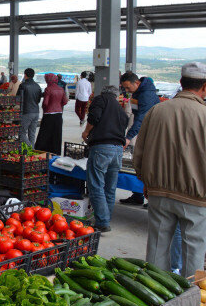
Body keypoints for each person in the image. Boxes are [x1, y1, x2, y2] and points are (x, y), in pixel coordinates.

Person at [135, 62, 206, 277]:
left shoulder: (156, 111)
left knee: (157, 246)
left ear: (180, 83)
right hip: (196, 197)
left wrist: (147, 182)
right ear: (204, 87)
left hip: (158, 193)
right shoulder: (204, 114)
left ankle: (156, 294)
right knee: (194, 250)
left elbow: (140, 153)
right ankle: (190, 297)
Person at [81, 85, 129, 232]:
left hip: (102, 147)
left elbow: (94, 117)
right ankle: (105, 218)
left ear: (103, 93)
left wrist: (86, 132)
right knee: (110, 187)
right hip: (117, 151)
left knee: (96, 185)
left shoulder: (101, 100)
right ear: (117, 95)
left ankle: (102, 221)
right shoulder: (121, 110)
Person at [119, 71, 160, 206]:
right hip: (143, 131)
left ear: (136, 83)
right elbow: (135, 115)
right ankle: (138, 195)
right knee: (140, 164)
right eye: (124, 88)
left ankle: (153, 199)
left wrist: (129, 137)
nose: (126, 91)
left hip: (153, 132)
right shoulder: (137, 93)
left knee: (150, 165)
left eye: (127, 88)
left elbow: (141, 118)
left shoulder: (146, 95)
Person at [35, 73, 68, 155]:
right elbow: (65, 101)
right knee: (56, 134)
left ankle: (42, 151)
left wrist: (44, 108)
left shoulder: (48, 89)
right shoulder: (61, 89)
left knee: (45, 134)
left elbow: (45, 103)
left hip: (49, 114)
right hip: (59, 114)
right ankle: (56, 152)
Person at [17, 68, 42, 146]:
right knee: (32, 133)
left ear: (25, 75)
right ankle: (32, 152)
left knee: (21, 133)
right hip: (36, 112)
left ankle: (30, 148)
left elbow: (18, 98)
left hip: (26, 111)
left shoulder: (23, 85)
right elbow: (38, 100)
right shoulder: (38, 86)